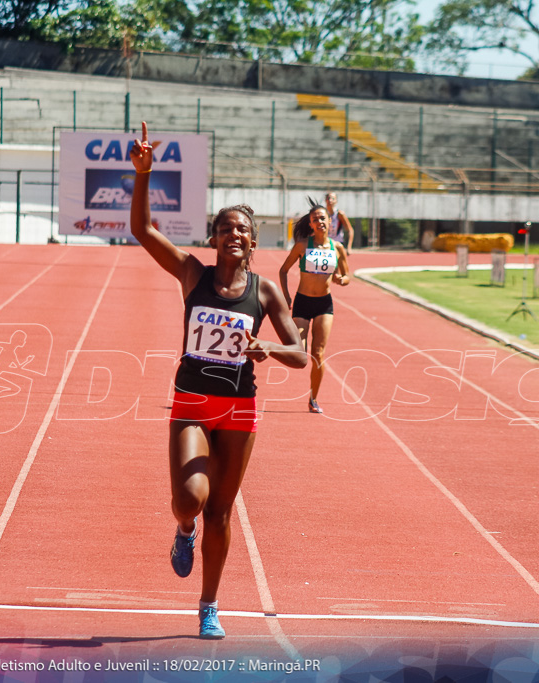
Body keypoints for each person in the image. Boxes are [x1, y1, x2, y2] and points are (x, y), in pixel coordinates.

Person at [128, 122, 306, 640]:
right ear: (214, 237)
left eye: (243, 229)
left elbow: (300, 354)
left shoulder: (267, 292)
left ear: (253, 241)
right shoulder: (193, 274)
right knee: (191, 501)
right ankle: (182, 530)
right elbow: (143, 232)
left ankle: (208, 605)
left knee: (222, 512)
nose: (235, 234)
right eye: (226, 227)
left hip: (239, 410)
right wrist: (144, 175)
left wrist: (268, 347)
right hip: (191, 402)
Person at [278, 199, 351, 414]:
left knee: (318, 353)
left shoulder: (337, 248)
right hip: (302, 301)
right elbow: (283, 270)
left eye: (322, 218)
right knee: (299, 353)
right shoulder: (302, 245)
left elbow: (347, 276)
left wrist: (341, 280)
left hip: (324, 304)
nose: (319, 221)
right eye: (314, 219)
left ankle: (313, 399)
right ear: (310, 224)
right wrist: (286, 297)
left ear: (330, 221)